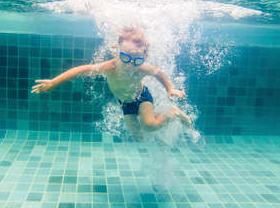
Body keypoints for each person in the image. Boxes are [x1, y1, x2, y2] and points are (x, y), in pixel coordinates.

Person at [31, 26, 192, 141]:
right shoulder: (109, 67)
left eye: (137, 59)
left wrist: (170, 88)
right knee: (137, 137)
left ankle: (173, 113)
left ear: (144, 56)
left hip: (141, 96)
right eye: (125, 58)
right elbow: (80, 70)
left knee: (149, 125)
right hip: (125, 102)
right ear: (116, 52)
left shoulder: (142, 68)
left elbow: (158, 73)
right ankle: (159, 127)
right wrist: (54, 82)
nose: (130, 64)